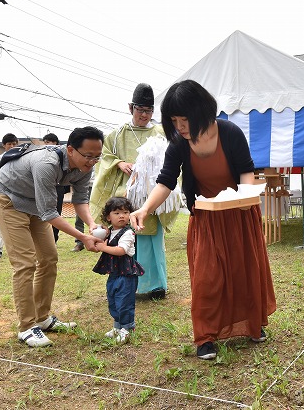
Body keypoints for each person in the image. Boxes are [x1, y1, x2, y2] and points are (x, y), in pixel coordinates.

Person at [129, 80, 277, 360]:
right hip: (206, 218)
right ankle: (206, 337)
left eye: (184, 118)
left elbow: (246, 171)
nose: (180, 126)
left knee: (244, 269)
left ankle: (253, 325)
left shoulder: (230, 132)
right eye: (174, 120)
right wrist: (145, 209)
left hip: (239, 213)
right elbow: (165, 182)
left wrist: (245, 199)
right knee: (207, 278)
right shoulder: (178, 144)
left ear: (201, 112)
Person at [0, 126, 105, 347]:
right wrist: (82, 237)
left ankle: (42, 318)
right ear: (70, 150)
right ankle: (26, 327)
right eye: (88, 156)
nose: (92, 161)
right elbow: (50, 213)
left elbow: (79, 200)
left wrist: (91, 224)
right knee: (25, 262)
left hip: (33, 203)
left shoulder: (85, 168)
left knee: (49, 257)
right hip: (7, 198)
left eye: (97, 157)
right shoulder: (46, 164)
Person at [90, 83, 176, 299]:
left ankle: (156, 285)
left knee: (152, 239)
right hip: (126, 194)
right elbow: (105, 155)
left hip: (152, 192)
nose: (144, 115)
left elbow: (173, 157)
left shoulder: (160, 131)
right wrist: (119, 163)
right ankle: (131, 285)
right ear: (131, 108)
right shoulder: (118, 134)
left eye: (149, 111)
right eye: (140, 110)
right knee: (127, 238)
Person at [92, 197, 143, 344]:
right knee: (113, 299)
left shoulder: (128, 233)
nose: (122, 216)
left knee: (124, 301)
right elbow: (97, 236)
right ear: (108, 217)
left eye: (126, 212)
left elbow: (121, 250)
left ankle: (127, 328)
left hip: (127, 274)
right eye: (116, 213)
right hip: (114, 273)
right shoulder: (111, 232)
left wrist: (103, 248)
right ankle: (117, 326)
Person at [42, 133, 70, 244]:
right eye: (46, 142)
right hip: (45, 188)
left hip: (58, 189)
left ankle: (54, 239)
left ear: (56, 143)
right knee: (43, 215)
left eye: (49, 142)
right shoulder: (44, 156)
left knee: (56, 213)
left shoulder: (63, 156)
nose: (47, 145)